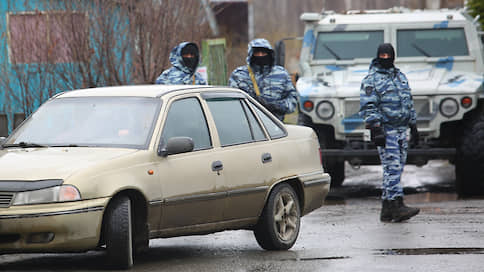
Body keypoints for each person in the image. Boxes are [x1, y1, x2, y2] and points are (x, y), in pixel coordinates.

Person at [359, 43, 420, 222]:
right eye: (382, 56)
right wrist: (375, 128)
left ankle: (387, 208)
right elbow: (369, 105)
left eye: (388, 56)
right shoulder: (371, 79)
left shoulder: (400, 76)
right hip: (387, 130)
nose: (385, 59)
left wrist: (414, 126)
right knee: (392, 168)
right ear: (378, 56)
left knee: (396, 168)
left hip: (402, 130)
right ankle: (396, 204)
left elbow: (408, 101)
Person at [229, 38, 298, 121]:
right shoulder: (239, 75)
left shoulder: (281, 74)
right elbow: (232, 102)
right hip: (247, 125)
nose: (260, 55)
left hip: (276, 125)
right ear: (251, 54)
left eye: (263, 52)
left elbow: (292, 101)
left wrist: (276, 106)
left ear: (270, 54)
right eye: (257, 53)